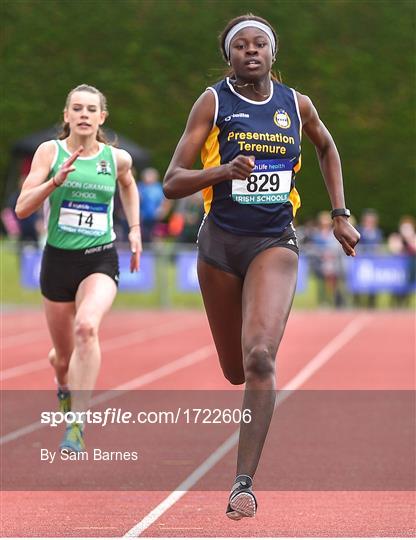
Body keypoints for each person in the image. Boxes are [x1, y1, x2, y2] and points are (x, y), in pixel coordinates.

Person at [163, 14, 360, 520]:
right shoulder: (213, 102)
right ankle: (244, 388)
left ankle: (242, 483)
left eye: (261, 45)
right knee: (235, 370)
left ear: (274, 54)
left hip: (274, 240)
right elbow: (172, 181)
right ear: (228, 56)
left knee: (260, 359)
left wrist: (340, 214)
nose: (252, 51)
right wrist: (224, 171)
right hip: (220, 245)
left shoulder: (297, 104)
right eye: (241, 46)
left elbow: (327, 147)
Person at [15, 84, 142, 453]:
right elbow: (22, 207)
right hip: (57, 261)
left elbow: (129, 187)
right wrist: (54, 182)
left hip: (100, 258)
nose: (84, 115)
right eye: (77, 109)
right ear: (67, 116)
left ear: (102, 117)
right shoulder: (48, 153)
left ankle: (77, 423)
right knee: (63, 358)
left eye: (91, 109)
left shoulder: (116, 159)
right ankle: (63, 383)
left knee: (87, 328)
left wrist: (133, 229)